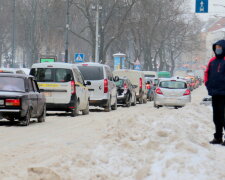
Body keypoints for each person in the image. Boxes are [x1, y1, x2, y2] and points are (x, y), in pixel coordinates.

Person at [205, 39, 225, 145]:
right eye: (216, 48)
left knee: (224, 117)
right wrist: (208, 86)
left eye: (219, 48)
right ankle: (218, 137)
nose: (217, 50)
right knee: (216, 117)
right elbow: (206, 73)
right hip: (215, 93)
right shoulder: (212, 61)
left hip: (224, 94)